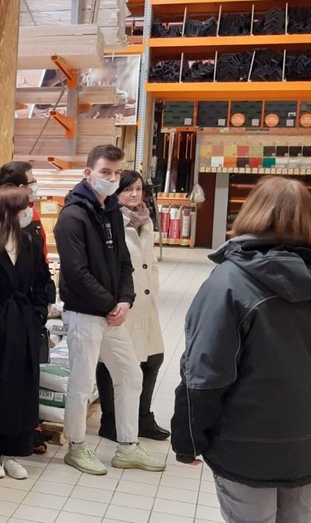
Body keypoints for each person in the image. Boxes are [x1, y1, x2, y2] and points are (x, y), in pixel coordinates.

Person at [171, 177, 311, 523]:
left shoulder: (230, 283)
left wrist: (189, 439)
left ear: (252, 213)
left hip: (245, 443)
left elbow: (205, 374)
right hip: (308, 443)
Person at [54, 144, 165, 475]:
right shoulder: (72, 216)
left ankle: (127, 446)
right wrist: (109, 304)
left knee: (130, 374)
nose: (112, 178)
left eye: (117, 173)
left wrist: (125, 299)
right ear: (89, 173)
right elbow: (76, 272)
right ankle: (76, 447)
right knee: (82, 382)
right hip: (84, 313)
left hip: (112, 313)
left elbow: (123, 263)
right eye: (106, 172)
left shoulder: (113, 211)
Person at [0, 186, 53, 480]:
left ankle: (11, 452)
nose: (29, 212)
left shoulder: (30, 243)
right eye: (23, 207)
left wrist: (38, 314)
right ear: (9, 212)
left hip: (25, 322)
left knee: (23, 387)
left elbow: (43, 280)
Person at [96, 170, 169, 443]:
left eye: (138, 189)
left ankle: (143, 417)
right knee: (111, 362)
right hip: (122, 302)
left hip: (145, 302)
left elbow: (150, 260)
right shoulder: (110, 221)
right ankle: (110, 420)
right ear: (116, 193)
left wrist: (153, 284)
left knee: (153, 358)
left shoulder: (145, 219)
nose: (134, 194)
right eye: (128, 189)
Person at [0, 161, 49, 266]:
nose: (35, 185)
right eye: (33, 182)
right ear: (21, 188)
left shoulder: (31, 214)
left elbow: (42, 254)